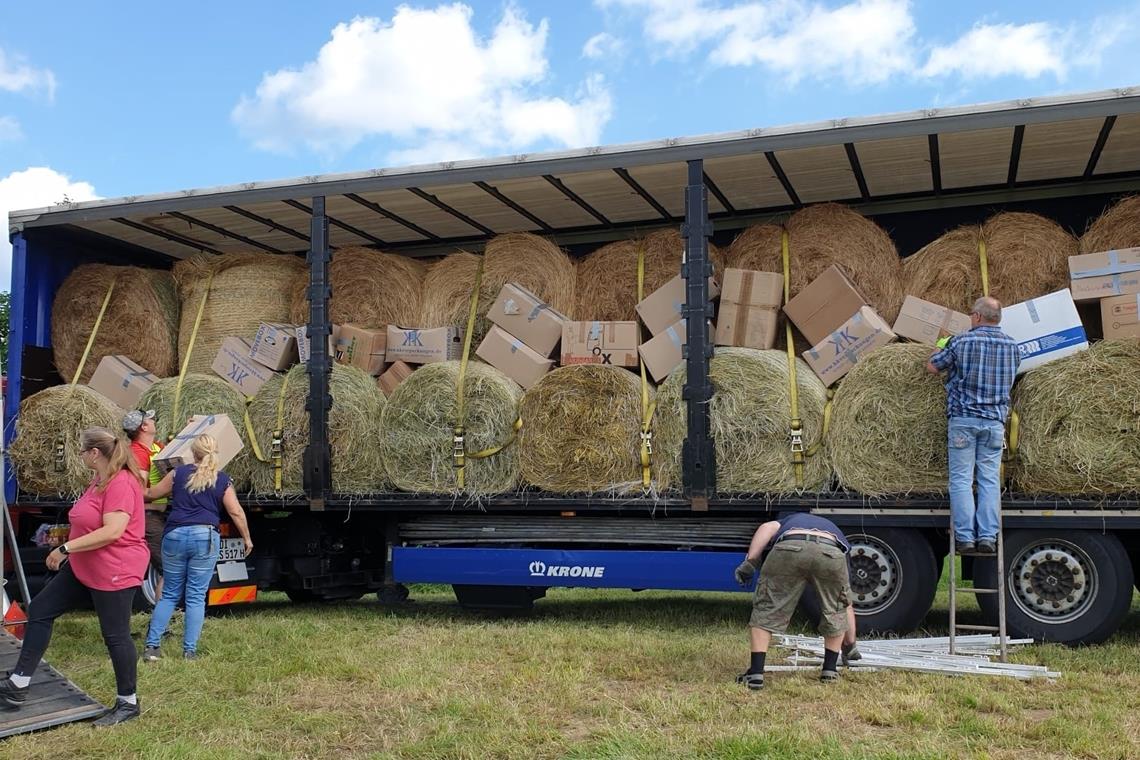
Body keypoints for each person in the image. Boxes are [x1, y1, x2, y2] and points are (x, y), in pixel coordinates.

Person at [0, 428, 148, 726]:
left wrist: (66, 548)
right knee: (40, 609)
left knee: (115, 635)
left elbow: (113, 531)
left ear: (95, 453)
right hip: (85, 566)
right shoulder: (99, 480)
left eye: (82, 451)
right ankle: (18, 683)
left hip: (114, 569)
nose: (80, 456)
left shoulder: (121, 483)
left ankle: (128, 703)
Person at [142, 434, 252, 660]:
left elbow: (152, 494)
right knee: (195, 597)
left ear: (192, 453)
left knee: (170, 594)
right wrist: (247, 538)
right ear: (215, 453)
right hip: (205, 537)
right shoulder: (222, 479)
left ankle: (152, 647)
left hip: (175, 534)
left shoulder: (177, 474)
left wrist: (133, 483)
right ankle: (189, 652)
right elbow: (235, 511)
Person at [926, 296, 1020, 555]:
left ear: (977, 317)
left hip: (964, 420)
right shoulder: (1013, 346)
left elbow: (932, 367)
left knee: (961, 480)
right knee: (989, 480)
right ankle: (988, 537)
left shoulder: (962, 341)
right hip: (994, 422)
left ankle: (965, 538)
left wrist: (939, 346)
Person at [733, 513, 856, 690]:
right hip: (831, 552)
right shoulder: (837, 535)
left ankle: (756, 674)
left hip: (789, 546)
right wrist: (850, 645)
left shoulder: (788, 521)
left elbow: (766, 528)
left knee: (767, 606)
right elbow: (846, 606)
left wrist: (751, 562)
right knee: (836, 607)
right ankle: (829, 671)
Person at [124, 410, 168, 590]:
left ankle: (166, 613)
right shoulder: (137, 453)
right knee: (169, 569)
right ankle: (164, 615)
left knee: (171, 567)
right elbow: (140, 492)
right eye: (151, 419)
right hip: (147, 517)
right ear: (143, 427)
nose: (154, 421)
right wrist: (169, 485)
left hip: (157, 514)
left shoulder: (156, 447)